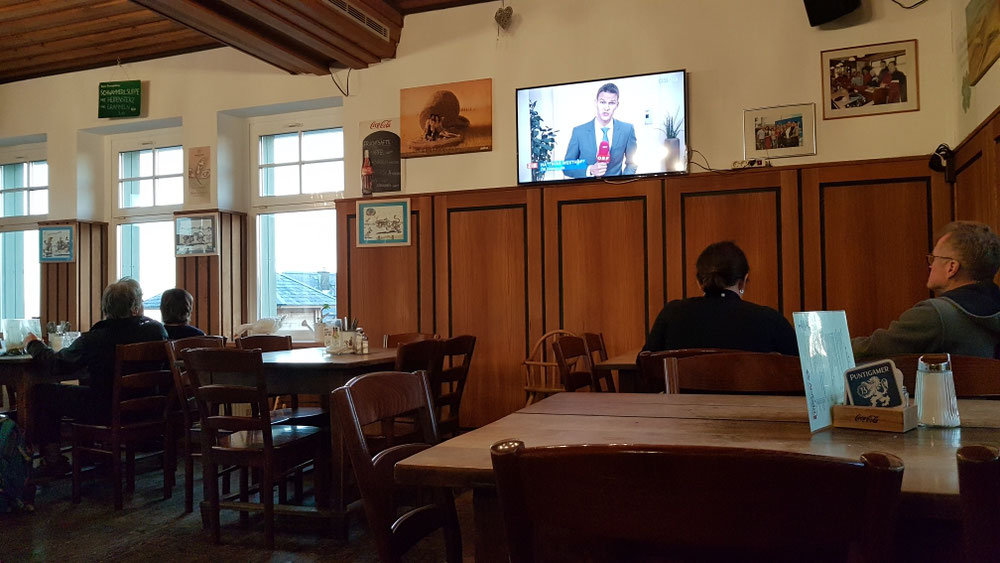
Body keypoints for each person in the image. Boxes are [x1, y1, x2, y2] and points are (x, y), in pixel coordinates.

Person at [24, 280, 168, 477]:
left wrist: (34, 345)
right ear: (135, 307)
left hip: (106, 410)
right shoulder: (157, 331)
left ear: (105, 307)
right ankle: (88, 454)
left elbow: (57, 364)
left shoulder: (96, 338)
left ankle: (54, 461)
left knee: (43, 392)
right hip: (148, 410)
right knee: (90, 389)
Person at [852, 221, 1000, 362]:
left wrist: (831, 348)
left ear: (951, 268)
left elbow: (871, 350)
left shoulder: (935, 315)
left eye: (934, 258)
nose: (930, 266)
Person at [642, 241, 798, 355]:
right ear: (743, 281)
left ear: (699, 282)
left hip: (685, 400)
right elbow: (800, 367)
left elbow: (645, 363)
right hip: (751, 401)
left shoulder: (672, 313)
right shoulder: (768, 319)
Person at [563, 83, 638, 178]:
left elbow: (632, 163)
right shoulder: (579, 132)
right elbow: (567, 166)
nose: (606, 108)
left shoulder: (627, 130)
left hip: (617, 189)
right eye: (602, 102)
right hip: (586, 190)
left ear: (617, 105)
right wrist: (590, 170)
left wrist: (623, 182)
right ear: (596, 102)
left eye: (611, 103)